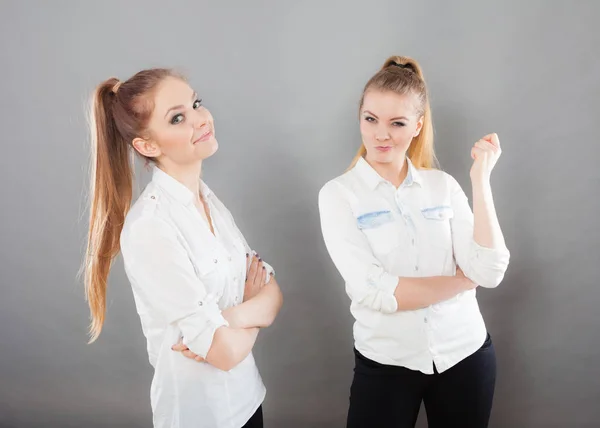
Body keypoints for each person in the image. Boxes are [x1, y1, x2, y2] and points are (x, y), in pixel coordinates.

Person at [82, 68, 283, 428]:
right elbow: (223, 351)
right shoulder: (150, 227)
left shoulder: (208, 201)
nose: (200, 119)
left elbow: (272, 292)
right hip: (200, 415)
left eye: (195, 104)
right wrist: (251, 312)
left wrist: (229, 319)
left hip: (248, 399)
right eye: (178, 118)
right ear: (147, 145)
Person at [318, 56, 510, 428]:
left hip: (465, 355)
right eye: (371, 119)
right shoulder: (338, 195)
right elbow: (375, 292)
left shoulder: (443, 186)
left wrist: (480, 178)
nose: (381, 135)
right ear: (360, 117)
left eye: (397, 123)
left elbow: (490, 270)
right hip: (387, 362)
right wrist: (459, 281)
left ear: (418, 126)